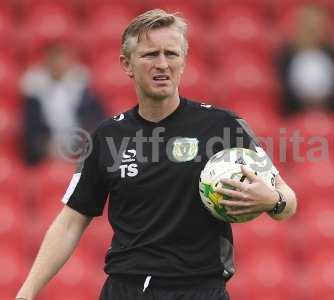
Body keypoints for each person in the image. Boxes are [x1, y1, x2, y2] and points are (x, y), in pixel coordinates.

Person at [16, 9, 297, 300]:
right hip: (127, 289)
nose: (162, 64)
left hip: (200, 290)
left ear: (183, 62)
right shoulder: (107, 136)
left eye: (171, 54)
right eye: (151, 54)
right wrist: (27, 292)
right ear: (127, 64)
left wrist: (272, 200)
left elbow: (288, 200)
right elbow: (71, 221)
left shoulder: (222, 126)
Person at [21, 42, 105, 166]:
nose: (58, 65)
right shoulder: (34, 90)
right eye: (54, 60)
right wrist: (43, 146)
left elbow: (96, 119)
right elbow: (31, 127)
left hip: (79, 144)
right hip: (47, 149)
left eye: (62, 60)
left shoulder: (82, 88)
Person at [277, 4, 334, 115]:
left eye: (317, 25)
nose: (313, 30)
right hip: (295, 113)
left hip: (328, 113)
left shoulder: (333, 54)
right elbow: (284, 88)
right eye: (309, 25)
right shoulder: (286, 55)